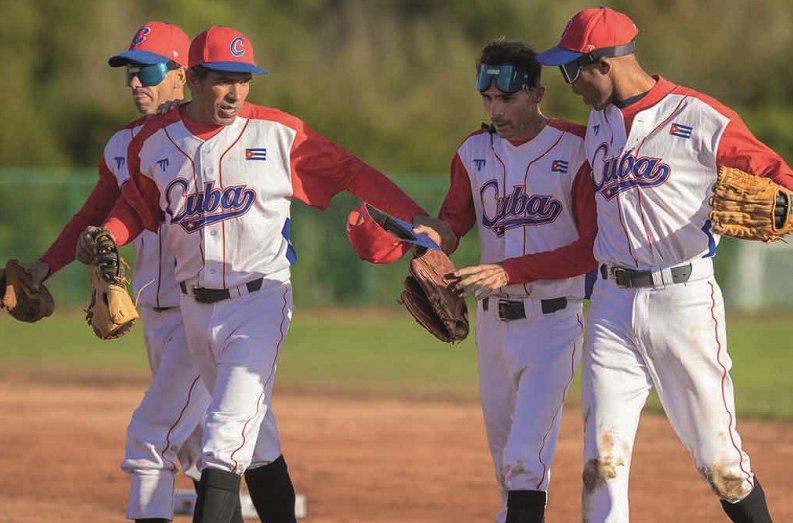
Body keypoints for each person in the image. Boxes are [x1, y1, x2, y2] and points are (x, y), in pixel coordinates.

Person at [78, 25, 429, 523]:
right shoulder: (155, 144)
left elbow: (352, 172)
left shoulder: (278, 133)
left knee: (223, 439)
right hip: (194, 311)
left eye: (244, 79)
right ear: (194, 79)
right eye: (223, 79)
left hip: (259, 302)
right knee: (258, 442)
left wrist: (419, 219)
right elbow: (138, 206)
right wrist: (109, 234)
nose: (236, 92)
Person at [537, 7, 792, 522]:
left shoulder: (700, 117)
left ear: (602, 64)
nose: (570, 83)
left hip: (683, 300)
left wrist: (784, 203)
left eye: (572, 69)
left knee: (722, 464)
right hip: (610, 304)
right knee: (601, 460)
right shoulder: (598, 125)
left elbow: (779, 179)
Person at [17, 21, 227, 523]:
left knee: (158, 438)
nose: (137, 81)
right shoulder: (121, 144)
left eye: (149, 69)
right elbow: (92, 214)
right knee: (201, 453)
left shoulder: (213, 139)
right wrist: (45, 265)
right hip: (151, 312)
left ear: (182, 75)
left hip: (202, 310)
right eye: (130, 72)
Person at [414, 39, 598, 523]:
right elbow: (455, 220)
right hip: (493, 327)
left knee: (524, 460)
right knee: (506, 466)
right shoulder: (473, 151)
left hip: (552, 325)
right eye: (488, 99)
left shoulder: (577, 149)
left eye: (508, 98)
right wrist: (430, 237)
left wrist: (510, 271)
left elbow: (590, 248)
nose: (496, 110)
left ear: (537, 93)